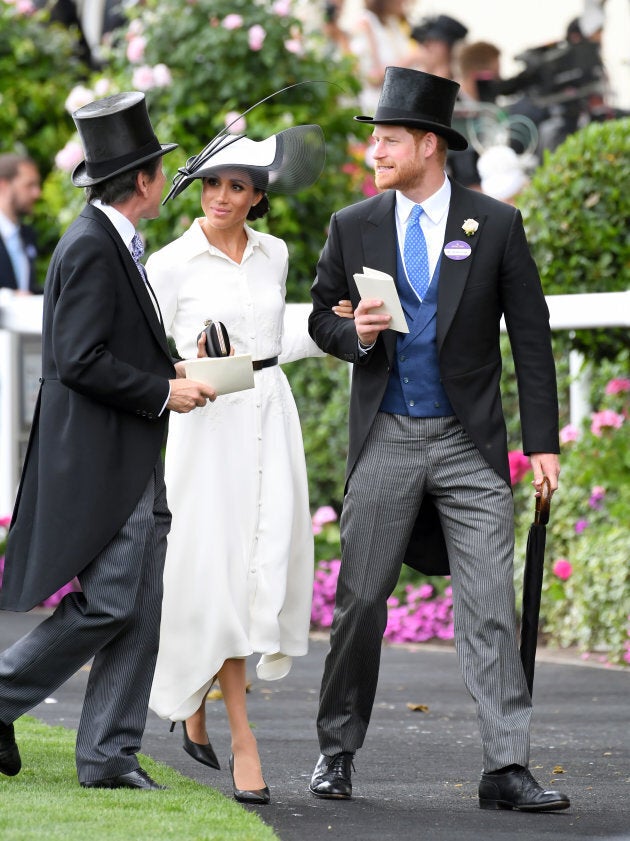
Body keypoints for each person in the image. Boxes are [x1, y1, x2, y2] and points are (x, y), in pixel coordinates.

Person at [307, 66, 570, 812]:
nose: (376, 153)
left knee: (490, 603)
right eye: (376, 141)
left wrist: (542, 443)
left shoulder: (496, 224)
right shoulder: (352, 224)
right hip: (386, 431)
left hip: (469, 442)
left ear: (428, 144)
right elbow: (320, 316)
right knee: (360, 599)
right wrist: (350, 333)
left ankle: (506, 766)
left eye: (388, 140)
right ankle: (336, 750)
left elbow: (531, 339)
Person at [0, 91, 215, 790]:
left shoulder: (110, 240)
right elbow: (77, 357)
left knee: (139, 603)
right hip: (104, 460)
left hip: (127, 456)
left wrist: (172, 369)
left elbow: (103, 347)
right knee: (113, 600)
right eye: (161, 171)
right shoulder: (94, 245)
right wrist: (163, 391)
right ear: (146, 180)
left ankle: (108, 753)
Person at [146, 123, 331, 805]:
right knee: (216, 571)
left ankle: (193, 702)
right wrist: (182, 364)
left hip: (267, 414)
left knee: (262, 567)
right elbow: (137, 350)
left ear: (258, 196)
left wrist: (337, 327)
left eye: (237, 186)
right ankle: (242, 737)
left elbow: (273, 338)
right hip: (205, 420)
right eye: (214, 183)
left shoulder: (274, 253)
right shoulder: (168, 264)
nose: (221, 196)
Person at [0, 154, 42, 294]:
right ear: (4, 186)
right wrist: (9, 298)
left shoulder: (27, 235)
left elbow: (27, 290)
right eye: (29, 185)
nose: (37, 193)